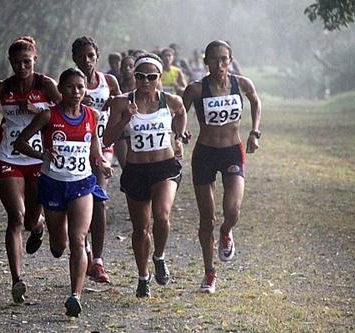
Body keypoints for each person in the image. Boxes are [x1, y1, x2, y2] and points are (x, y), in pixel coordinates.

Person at [14, 68, 113, 317]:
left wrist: (101, 162)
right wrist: (42, 155)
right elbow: (20, 142)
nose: (76, 92)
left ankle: (75, 296)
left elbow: (94, 147)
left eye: (80, 87)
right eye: (70, 87)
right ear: (61, 89)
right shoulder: (48, 116)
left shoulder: (92, 115)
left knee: (78, 240)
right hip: (53, 184)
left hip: (82, 185)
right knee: (59, 245)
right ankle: (47, 229)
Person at [0, 36, 61, 304]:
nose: (22, 67)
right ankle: (16, 280)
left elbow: (62, 112)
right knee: (16, 217)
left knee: (31, 220)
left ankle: (39, 226)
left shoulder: (45, 85)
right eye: (16, 62)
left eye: (27, 62)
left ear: (35, 60)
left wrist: (36, 111)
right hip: (9, 158)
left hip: (37, 160)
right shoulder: (3, 88)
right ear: (10, 62)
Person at [103, 53, 187, 298]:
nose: (146, 81)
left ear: (160, 78)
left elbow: (181, 113)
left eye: (152, 77)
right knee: (140, 229)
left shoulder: (170, 100)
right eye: (140, 76)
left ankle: (159, 257)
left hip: (165, 167)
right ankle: (143, 277)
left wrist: (179, 137)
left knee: (161, 216)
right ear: (134, 76)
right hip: (136, 170)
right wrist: (125, 119)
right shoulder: (121, 103)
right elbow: (107, 139)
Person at [182, 40, 261, 293]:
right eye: (214, 59)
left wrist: (254, 132)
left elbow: (256, 102)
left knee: (233, 210)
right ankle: (209, 273)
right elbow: (179, 115)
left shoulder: (242, 84)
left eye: (224, 59)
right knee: (207, 218)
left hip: (232, 152)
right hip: (204, 153)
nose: (219, 64)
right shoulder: (195, 89)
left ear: (230, 59)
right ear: (206, 61)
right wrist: (180, 134)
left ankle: (227, 231)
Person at [72, 36, 122, 283]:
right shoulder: (71, 83)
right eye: (81, 56)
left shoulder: (108, 81)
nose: (86, 60)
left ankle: (99, 261)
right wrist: (77, 100)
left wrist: (114, 104)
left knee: (99, 199)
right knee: (82, 203)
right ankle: (86, 251)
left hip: (103, 148)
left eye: (90, 55)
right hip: (77, 149)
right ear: (74, 58)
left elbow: (123, 107)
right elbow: (58, 109)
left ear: (97, 56)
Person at [114, 55, 137, 168]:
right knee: (125, 166)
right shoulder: (116, 85)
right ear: (120, 68)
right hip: (121, 129)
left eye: (130, 66)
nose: (127, 68)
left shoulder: (142, 86)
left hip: (138, 129)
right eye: (124, 66)